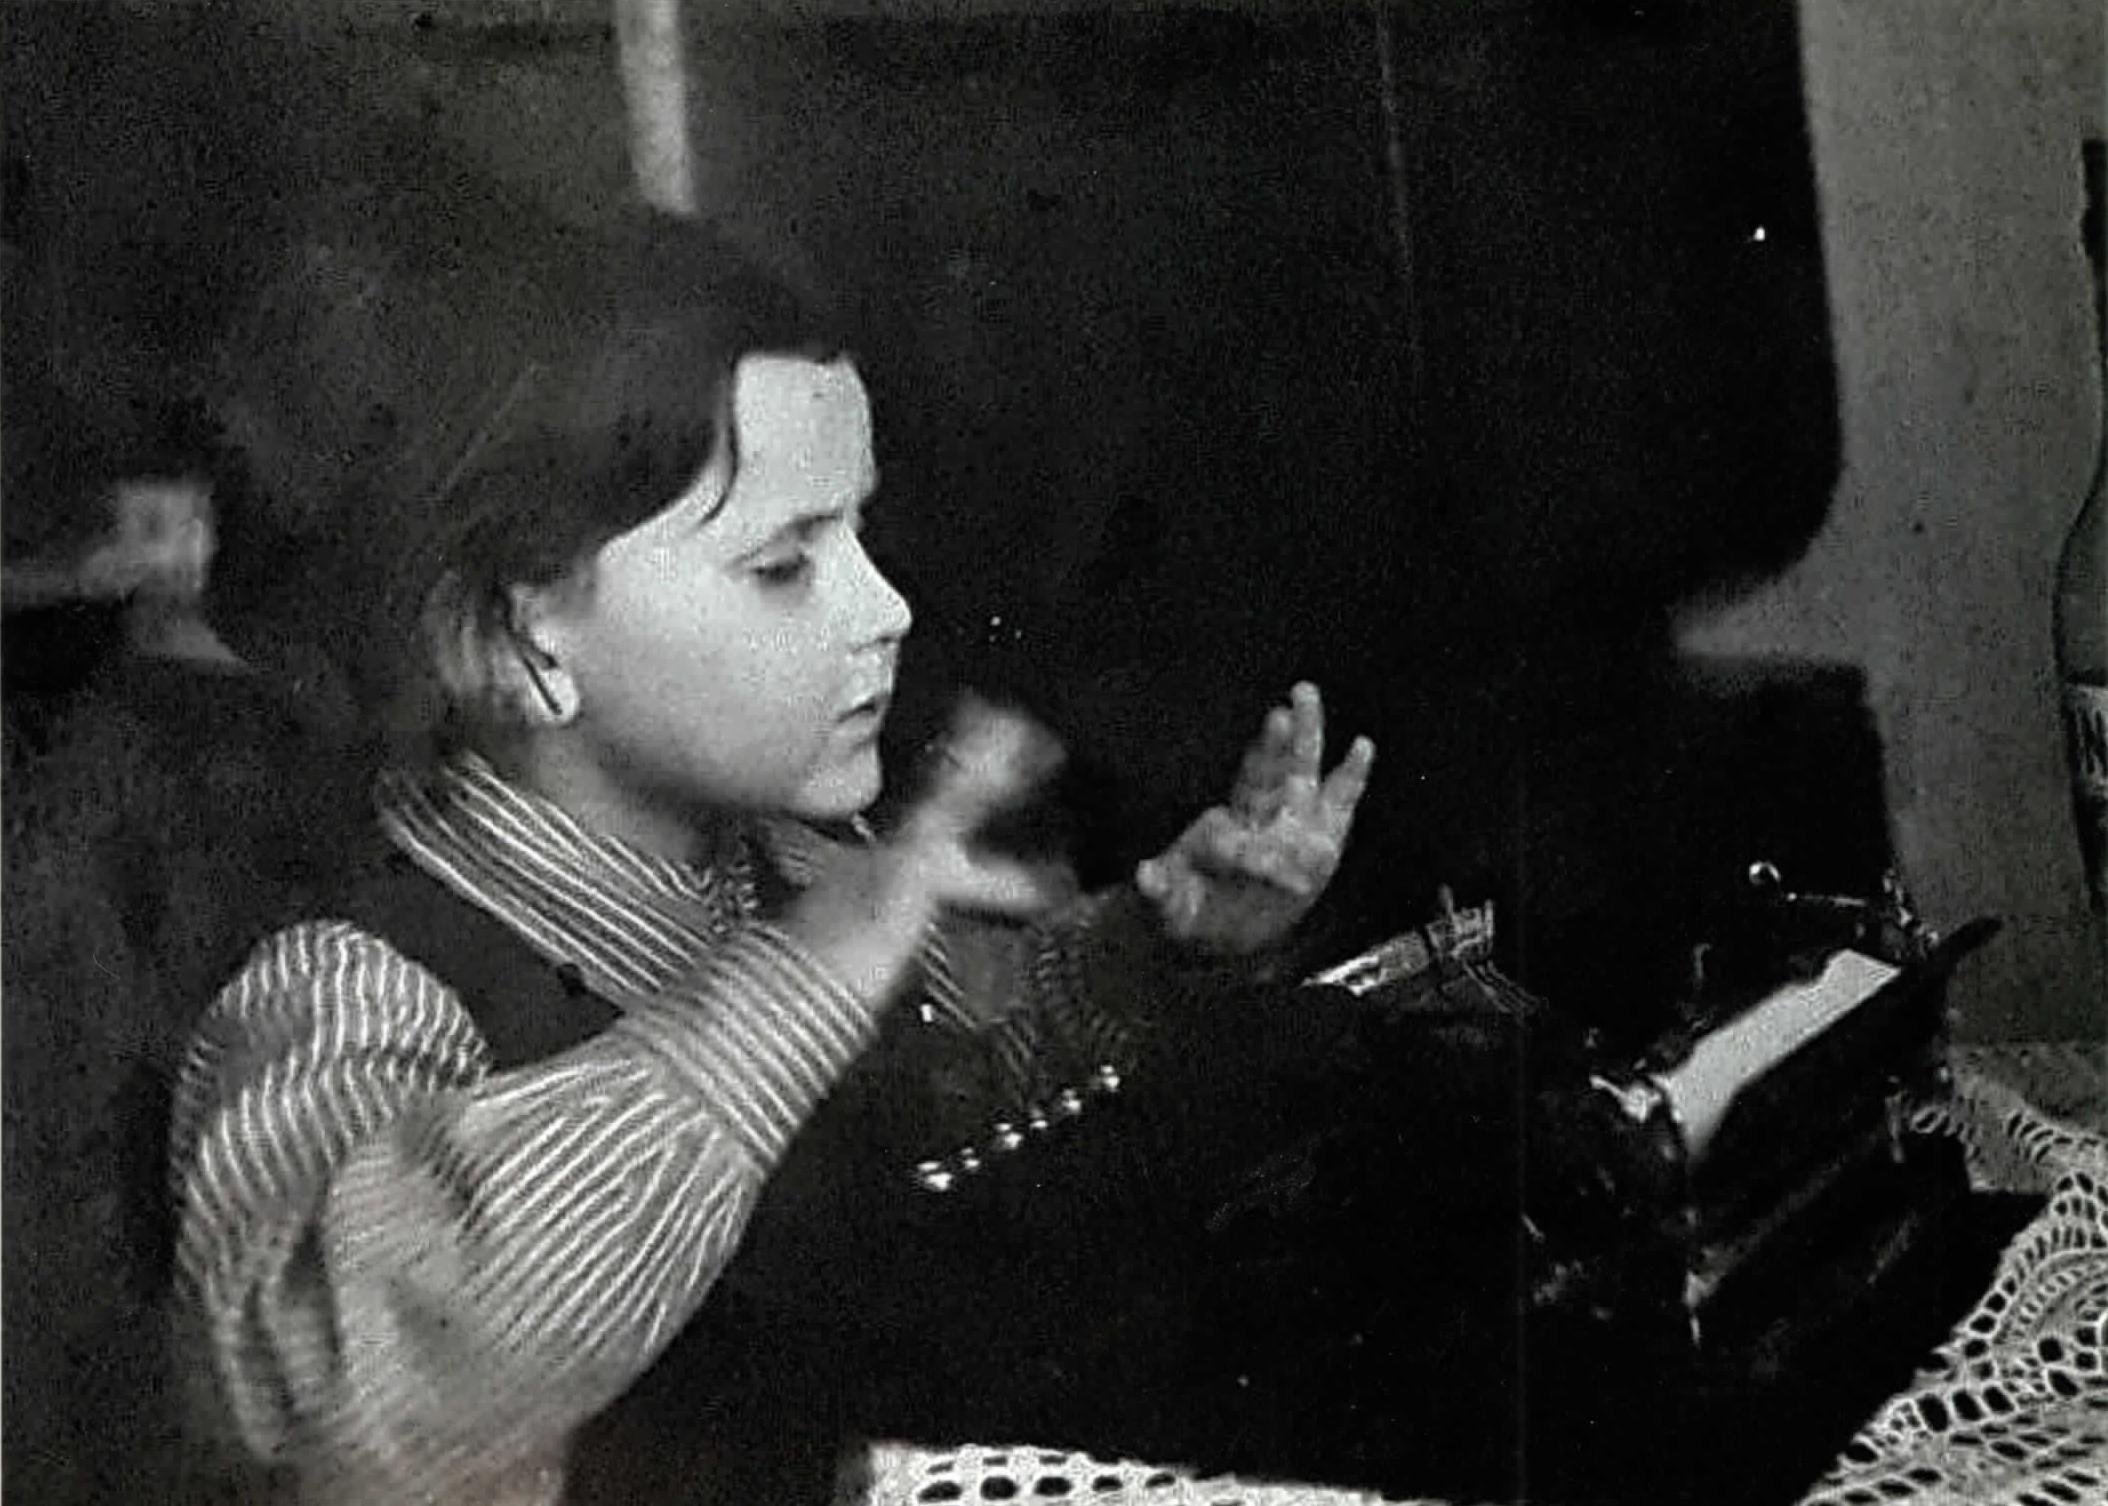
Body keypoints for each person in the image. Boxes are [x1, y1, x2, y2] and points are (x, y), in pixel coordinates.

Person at [166, 196, 1376, 1506]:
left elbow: (954, 1075)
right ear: (520, 645)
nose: (889, 607)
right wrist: (786, 997)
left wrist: (1156, 941)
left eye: (857, 530)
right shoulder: (351, 1000)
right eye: (788, 564)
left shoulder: (790, 866)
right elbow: (325, 1415)